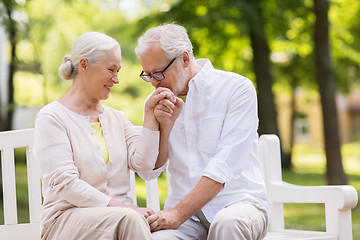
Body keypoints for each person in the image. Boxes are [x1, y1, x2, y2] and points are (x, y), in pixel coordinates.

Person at [33, 31, 182, 240]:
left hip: (122, 219)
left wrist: (150, 115)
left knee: (165, 230)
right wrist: (125, 209)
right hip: (66, 219)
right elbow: (66, 183)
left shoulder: (117, 118)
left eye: (118, 71)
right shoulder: (52, 117)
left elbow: (146, 165)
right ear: (84, 65)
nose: (117, 79)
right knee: (132, 220)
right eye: (111, 70)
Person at [134, 23, 271, 240]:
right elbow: (149, 173)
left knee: (227, 225)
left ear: (185, 59)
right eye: (148, 74)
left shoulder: (236, 89)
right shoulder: (158, 103)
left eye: (159, 73)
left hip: (239, 205)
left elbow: (224, 165)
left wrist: (177, 213)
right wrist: (158, 123)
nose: (153, 83)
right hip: (188, 220)